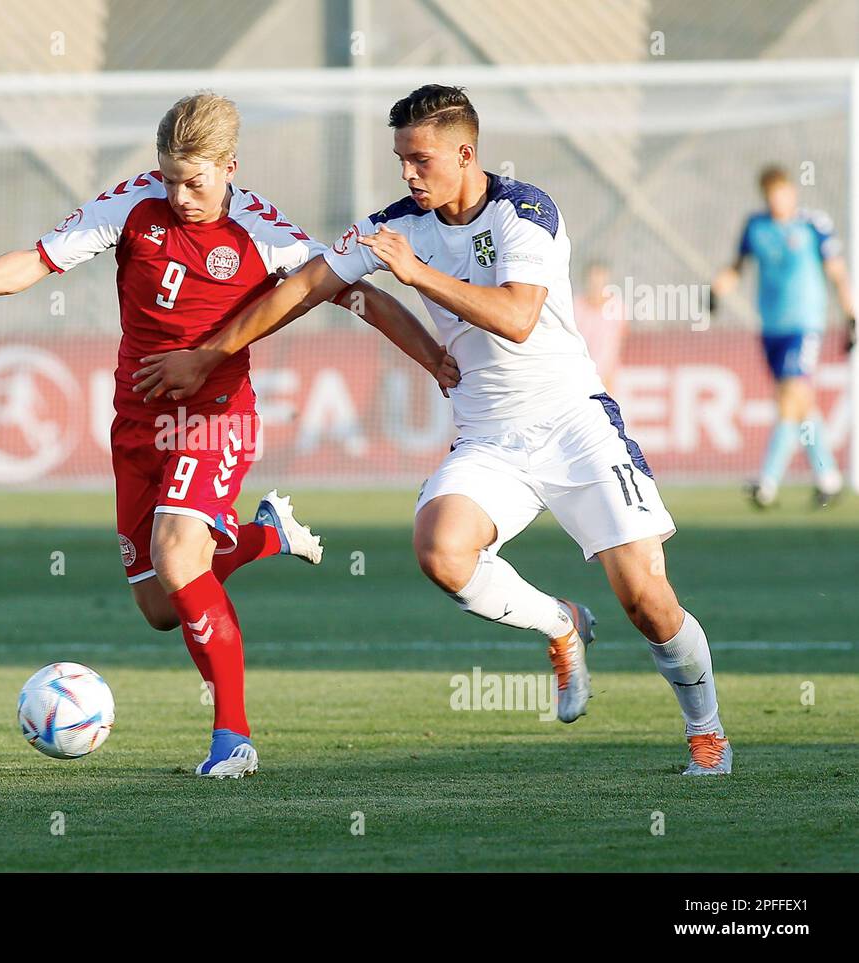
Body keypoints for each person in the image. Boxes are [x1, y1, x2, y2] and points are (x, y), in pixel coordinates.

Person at [135, 85, 732, 775]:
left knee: (648, 602)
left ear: (465, 153)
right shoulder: (395, 223)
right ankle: (560, 622)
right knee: (440, 550)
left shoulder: (524, 211)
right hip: (487, 436)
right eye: (400, 160)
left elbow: (515, 317)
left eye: (420, 160)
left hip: (575, 425)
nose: (408, 174)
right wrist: (210, 353)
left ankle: (706, 730)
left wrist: (414, 270)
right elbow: (305, 286)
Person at [0, 92, 457, 777]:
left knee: (180, 555)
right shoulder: (131, 204)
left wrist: (433, 356)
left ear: (229, 166)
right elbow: (41, 258)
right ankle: (265, 534)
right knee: (160, 604)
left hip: (215, 420)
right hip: (136, 427)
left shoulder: (265, 230)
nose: (181, 195)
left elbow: (356, 293)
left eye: (197, 181)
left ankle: (233, 738)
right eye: (170, 177)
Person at [713, 165, 854, 508]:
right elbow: (738, 266)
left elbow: (837, 273)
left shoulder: (812, 225)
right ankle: (829, 477)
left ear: (792, 191)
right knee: (801, 404)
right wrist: (716, 292)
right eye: (771, 195)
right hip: (771, 327)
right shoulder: (756, 226)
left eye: (782, 193)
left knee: (791, 397)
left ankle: (767, 482)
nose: (778, 200)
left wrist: (851, 316)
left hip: (804, 325)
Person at [573, 261, 628, 394]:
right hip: (579, 375)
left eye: (600, 280)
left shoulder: (617, 306)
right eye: (593, 280)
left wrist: (609, 374)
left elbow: (621, 340)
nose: (596, 285)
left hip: (607, 377)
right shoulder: (575, 306)